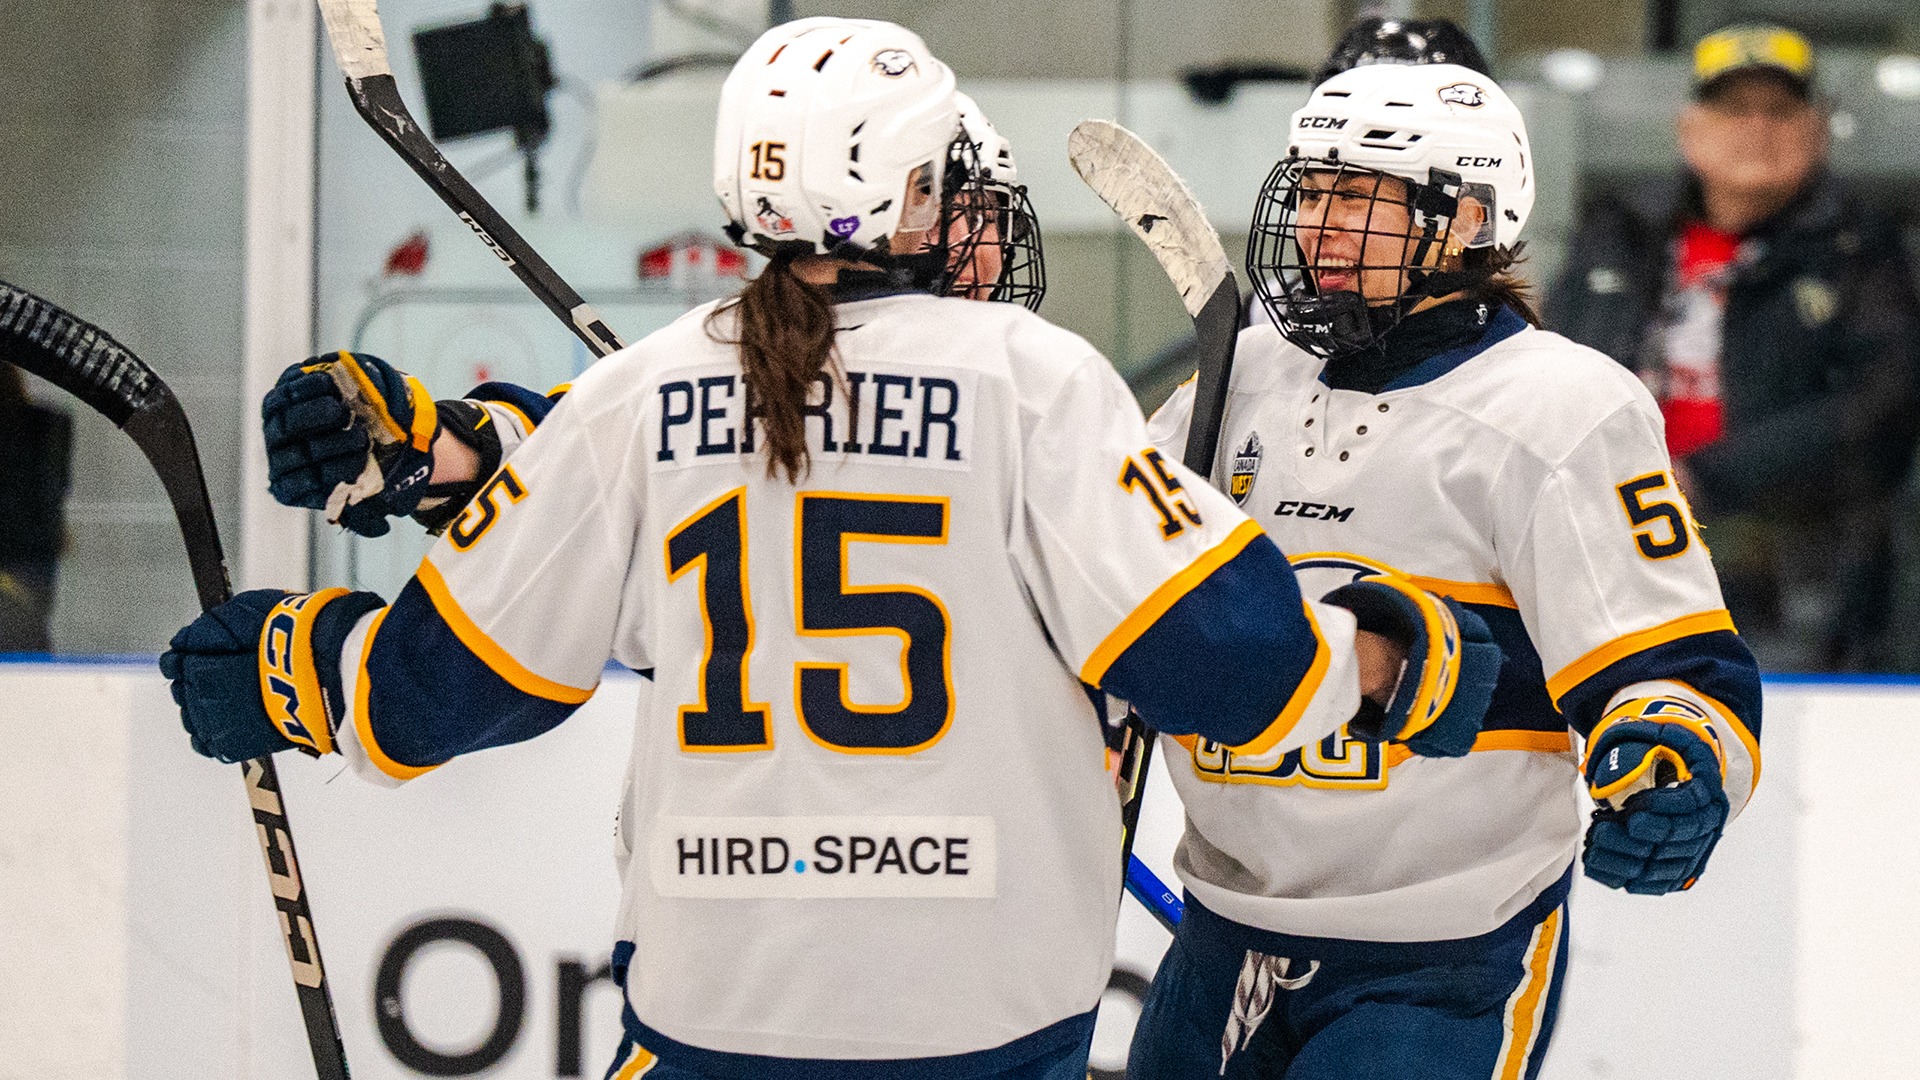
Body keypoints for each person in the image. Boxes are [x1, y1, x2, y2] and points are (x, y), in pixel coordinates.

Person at [161, 19, 1497, 1078]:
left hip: (716, 993)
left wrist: (306, 664)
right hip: (981, 1003)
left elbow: (437, 684)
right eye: (959, 201)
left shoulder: (647, 394)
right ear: (915, 193)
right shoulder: (1033, 381)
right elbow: (1234, 662)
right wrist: (1388, 661)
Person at [1130, 62, 1764, 1079]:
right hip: (1217, 929)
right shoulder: (1240, 375)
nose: (1318, 225)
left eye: (1358, 199)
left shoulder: (1561, 408)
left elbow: (1682, 669)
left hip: (1440, 958)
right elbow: (1117, 581)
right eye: (1312, 191)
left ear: (1465, 217)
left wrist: (1675, 759)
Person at [1547, 23, 1920, 671]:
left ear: (1817, 129)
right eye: (1734, 108)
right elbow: (1550, 364)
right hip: (1607, 545)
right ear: (1689, 129)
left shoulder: (1862, 247)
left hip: (1794, 571)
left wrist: (1707, 479)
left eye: (1780, 110)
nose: (1758, 128)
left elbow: (1880, 401)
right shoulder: (1621, 231)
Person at [0, 361, 71, 652]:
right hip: (34, 552)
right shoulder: (50, 424)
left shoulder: (48, 425)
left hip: (29, 554)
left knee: (23, 627)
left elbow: (50, 489)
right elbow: (53, 489)